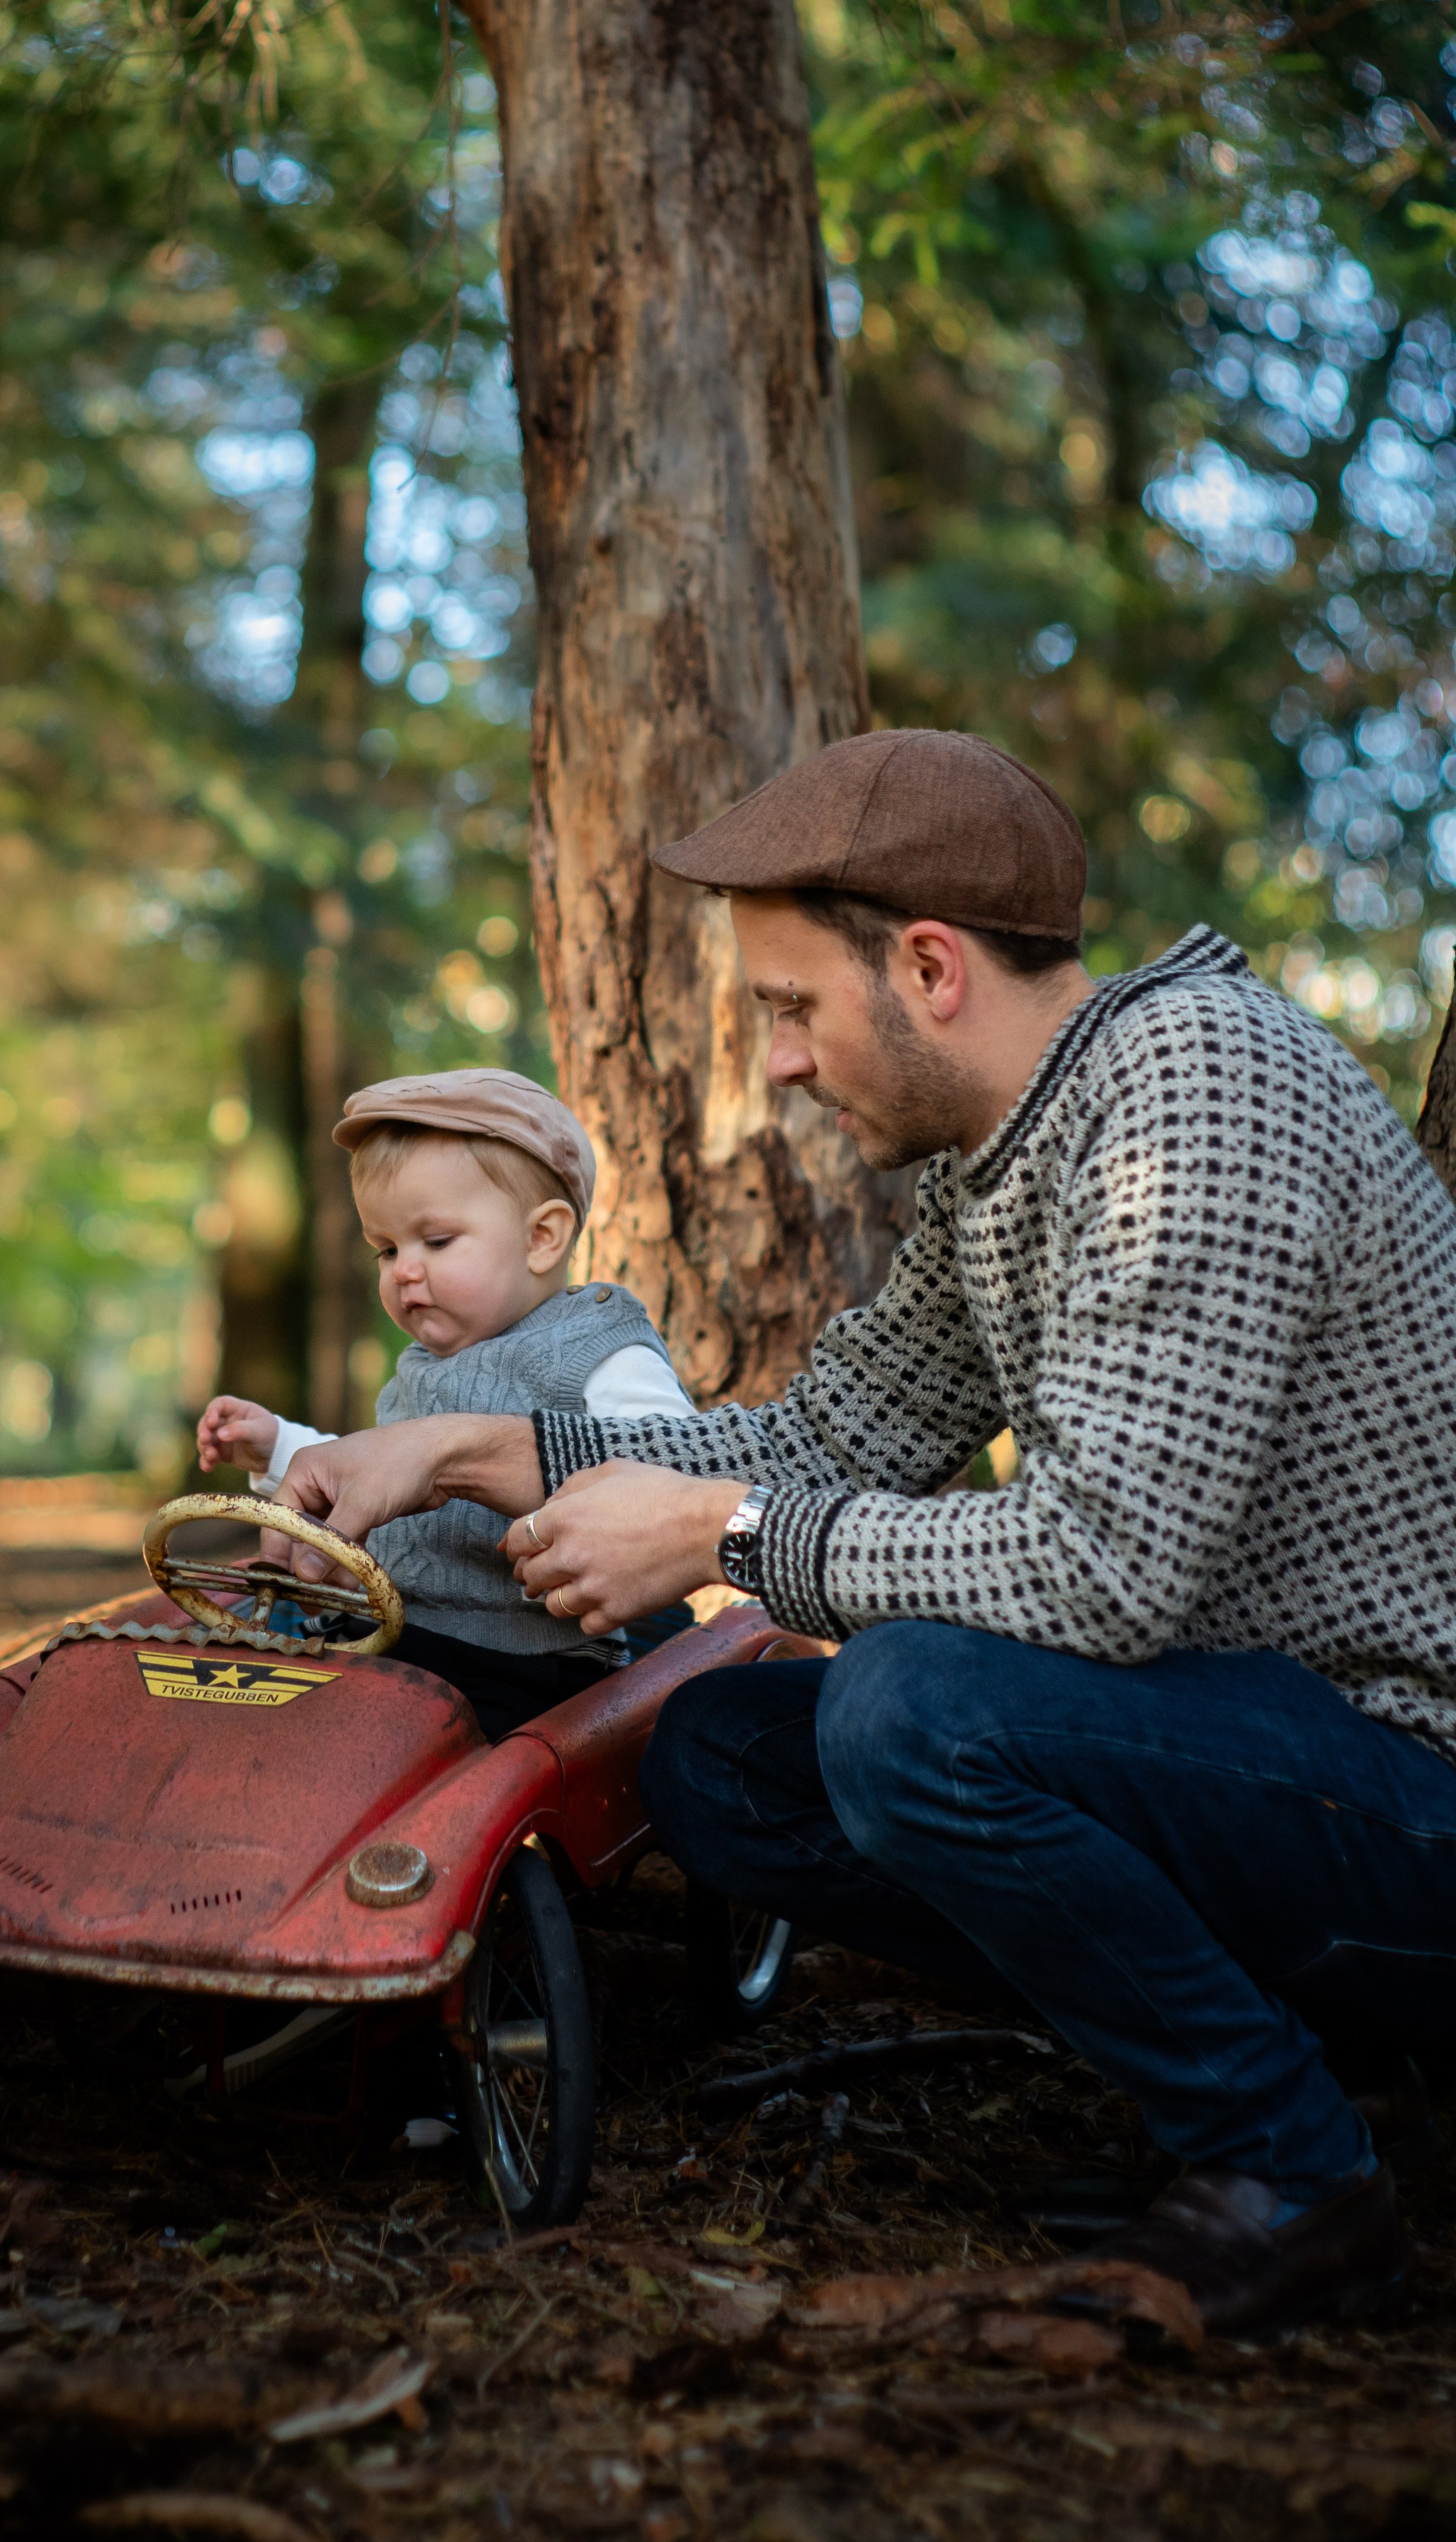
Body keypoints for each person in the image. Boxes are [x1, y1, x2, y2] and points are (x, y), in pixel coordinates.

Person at [265, 727, 1456, 2339]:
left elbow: (1096, 1570)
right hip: (1245, 1764)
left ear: (926, 965)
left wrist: (720, 1529)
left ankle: (1293, 2175)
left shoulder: (1195, 1089)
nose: (777, 1062)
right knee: (721, 1754)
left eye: (787, 1008)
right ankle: (1250, 2090)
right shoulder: (1000, 1168)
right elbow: (819, 1438)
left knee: (909, 1709)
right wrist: (473, 1449)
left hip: (1406, 1788)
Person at [197, 1065, 694, 1739]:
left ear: (541, 1238)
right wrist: (281, 1447)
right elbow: (363, 1471)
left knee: (404, 1756)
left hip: (523, 1663)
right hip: (395, 1633)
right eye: (385, 1248)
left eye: (436, 1241)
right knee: (275, 1702)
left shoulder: (594, 1345)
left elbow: (677, 1468)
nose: (404, 1269)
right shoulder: (424, 1364)